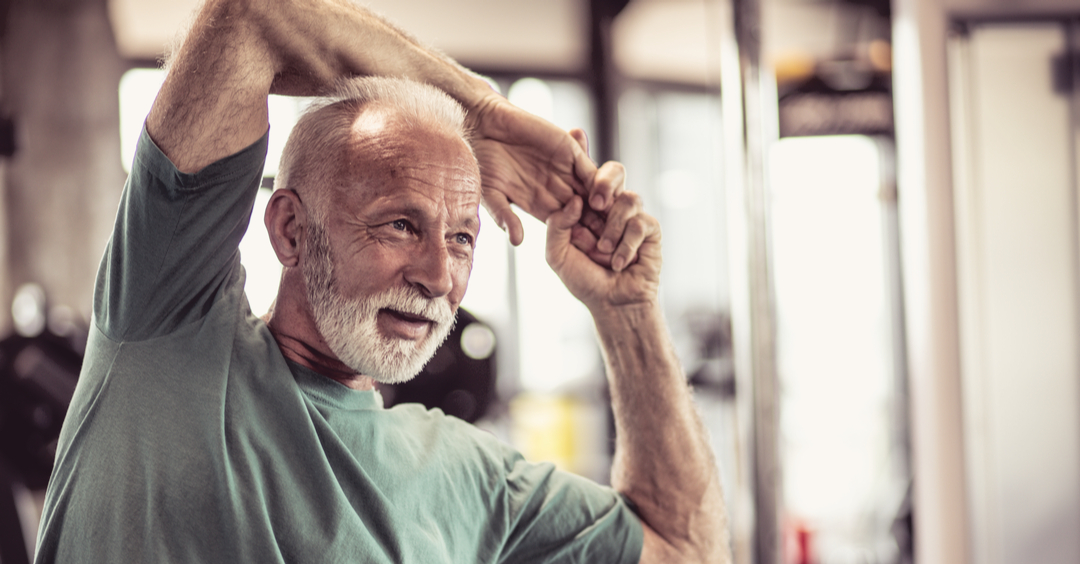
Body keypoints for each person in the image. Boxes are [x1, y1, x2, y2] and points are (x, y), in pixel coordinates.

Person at [33, 0, 728, 562]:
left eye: (461, 238)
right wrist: (477, 110)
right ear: (290, 230)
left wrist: (626, 310)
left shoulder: (469, 480)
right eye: (399, 224)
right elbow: (250, 20)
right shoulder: (167, 334)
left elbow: (685, 546)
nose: (437, 278)